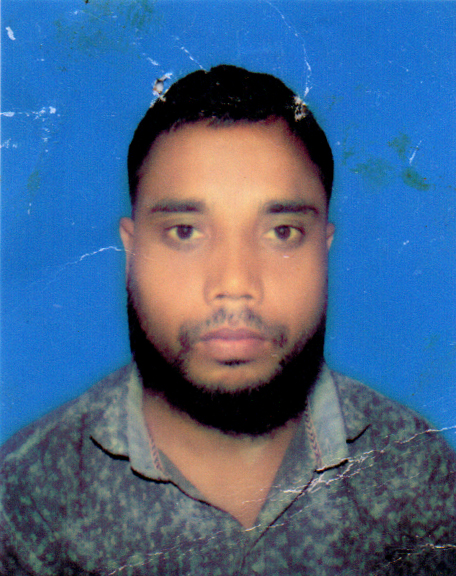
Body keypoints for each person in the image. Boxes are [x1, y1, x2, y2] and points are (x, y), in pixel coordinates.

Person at [1, 65, 455, 575]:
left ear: (324, 250)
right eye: (184, 232)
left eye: (282, 232)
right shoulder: (25, 501)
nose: (235, 282)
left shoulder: (419, 472)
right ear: (131, 252)